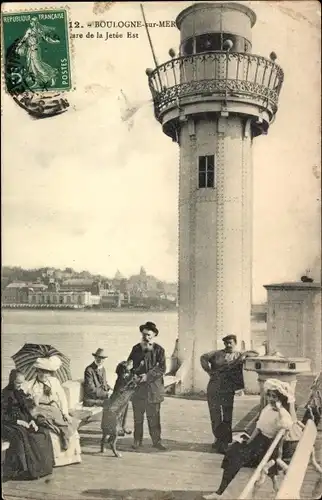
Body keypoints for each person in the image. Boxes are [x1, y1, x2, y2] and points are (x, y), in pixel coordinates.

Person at [203, 378, 295, 499]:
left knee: (235, 456)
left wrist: (280, 410)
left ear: (281, 399)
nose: (271, 399)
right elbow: (258, 427)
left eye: (275, 397)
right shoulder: (267, 408)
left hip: (266, 449)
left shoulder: (282, 413)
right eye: (270, 396)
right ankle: (221, 491)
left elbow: (287, 424)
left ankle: (222, 493)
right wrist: (248, 441)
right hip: (257, 442)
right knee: (233, 450)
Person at [200, 335, 255, 453]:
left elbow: (254, 354)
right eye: (226, 343)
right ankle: (218, 440)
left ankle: (224, 442)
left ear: (235, 343)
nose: (228, 345)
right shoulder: (217, 354)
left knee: (227, 415)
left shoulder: (238, 355)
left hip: (227, 390)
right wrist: (209, 371)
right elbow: (203, 357)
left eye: (231, 343)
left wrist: (244, 355)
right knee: (215, 415)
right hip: (214, 388)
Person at [26, 356, 81, 467]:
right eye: (40, 371)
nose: (43, 375)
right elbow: (28, 404)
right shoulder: (31, 385)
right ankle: (61, 434)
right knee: (46, 420)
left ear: (50, 373)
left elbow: (62, 398)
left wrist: (65, 413)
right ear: (36, 371)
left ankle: (64, 435)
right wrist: (33, 399)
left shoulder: (54, 381)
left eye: (46, 372)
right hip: (40, 409)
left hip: (53, 409)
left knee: (63, 420)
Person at [2, 369, 54, 480]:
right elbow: (3, 415)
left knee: (43, 431)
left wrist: (31, 421)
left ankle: (43, 467)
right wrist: (18, 421)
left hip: (24, 421)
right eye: (17, 383)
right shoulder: (5, 394)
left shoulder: (21, 392)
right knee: (22, 435)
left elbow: (26, 410)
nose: (20, 385)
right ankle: (25, 469)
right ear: (12, 381)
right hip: (8, 424)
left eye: (22, 383)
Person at [127, 321, 167, 451]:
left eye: (149, 335)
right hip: (138, 390)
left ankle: (157, 441)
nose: (146, 337)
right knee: (138, 418)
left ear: (154, 335)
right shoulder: (136, 349)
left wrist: (147, 376)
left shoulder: (159, 350)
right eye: (144, 335)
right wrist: (131, 371)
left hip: (153, 390)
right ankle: (137, 441)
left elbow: (161, 369)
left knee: (154, 418)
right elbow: (130, 365)